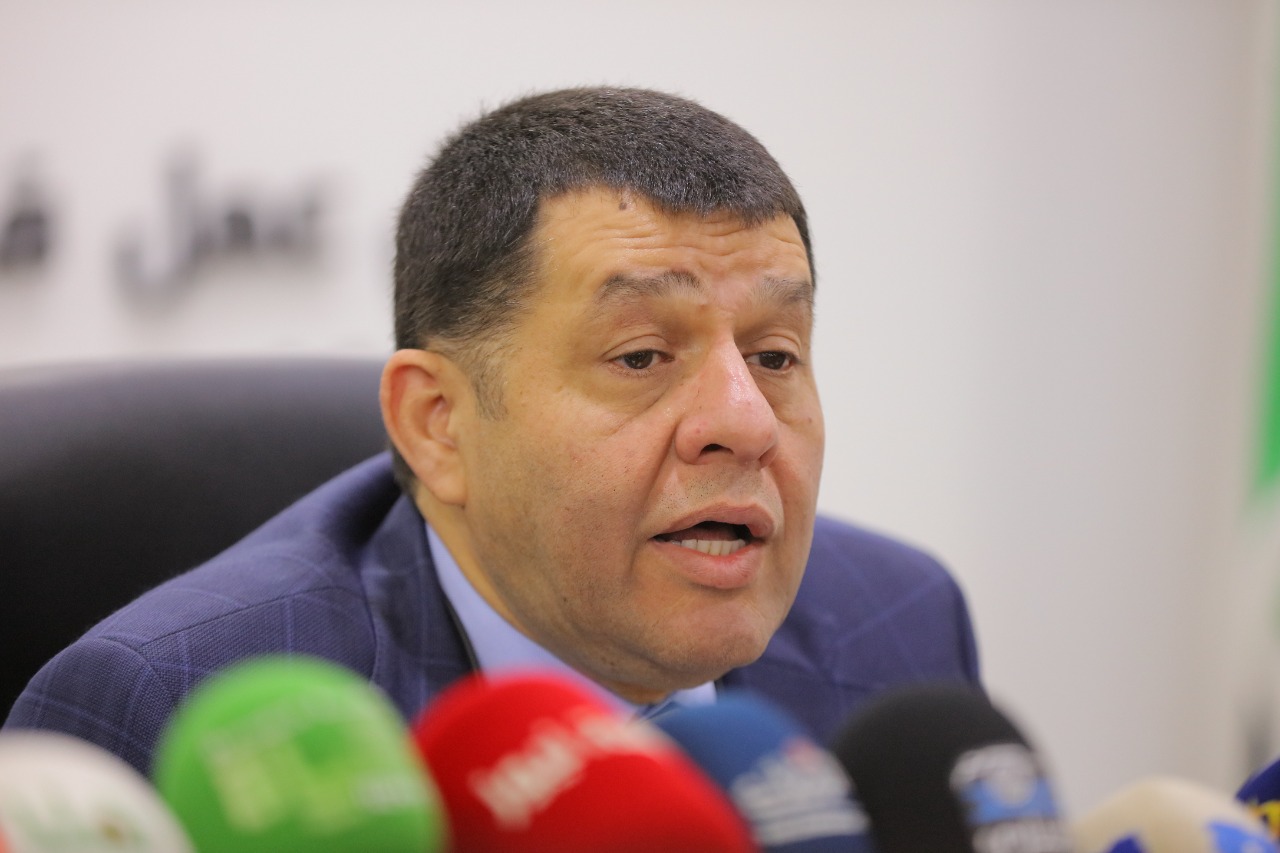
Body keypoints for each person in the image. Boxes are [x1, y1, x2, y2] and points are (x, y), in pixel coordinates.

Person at [4, 87, 979, 775]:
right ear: (436, 425)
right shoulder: (170, 708)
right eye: (642, 356)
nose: (744, 420)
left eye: (774, 355)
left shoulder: (898, 624)